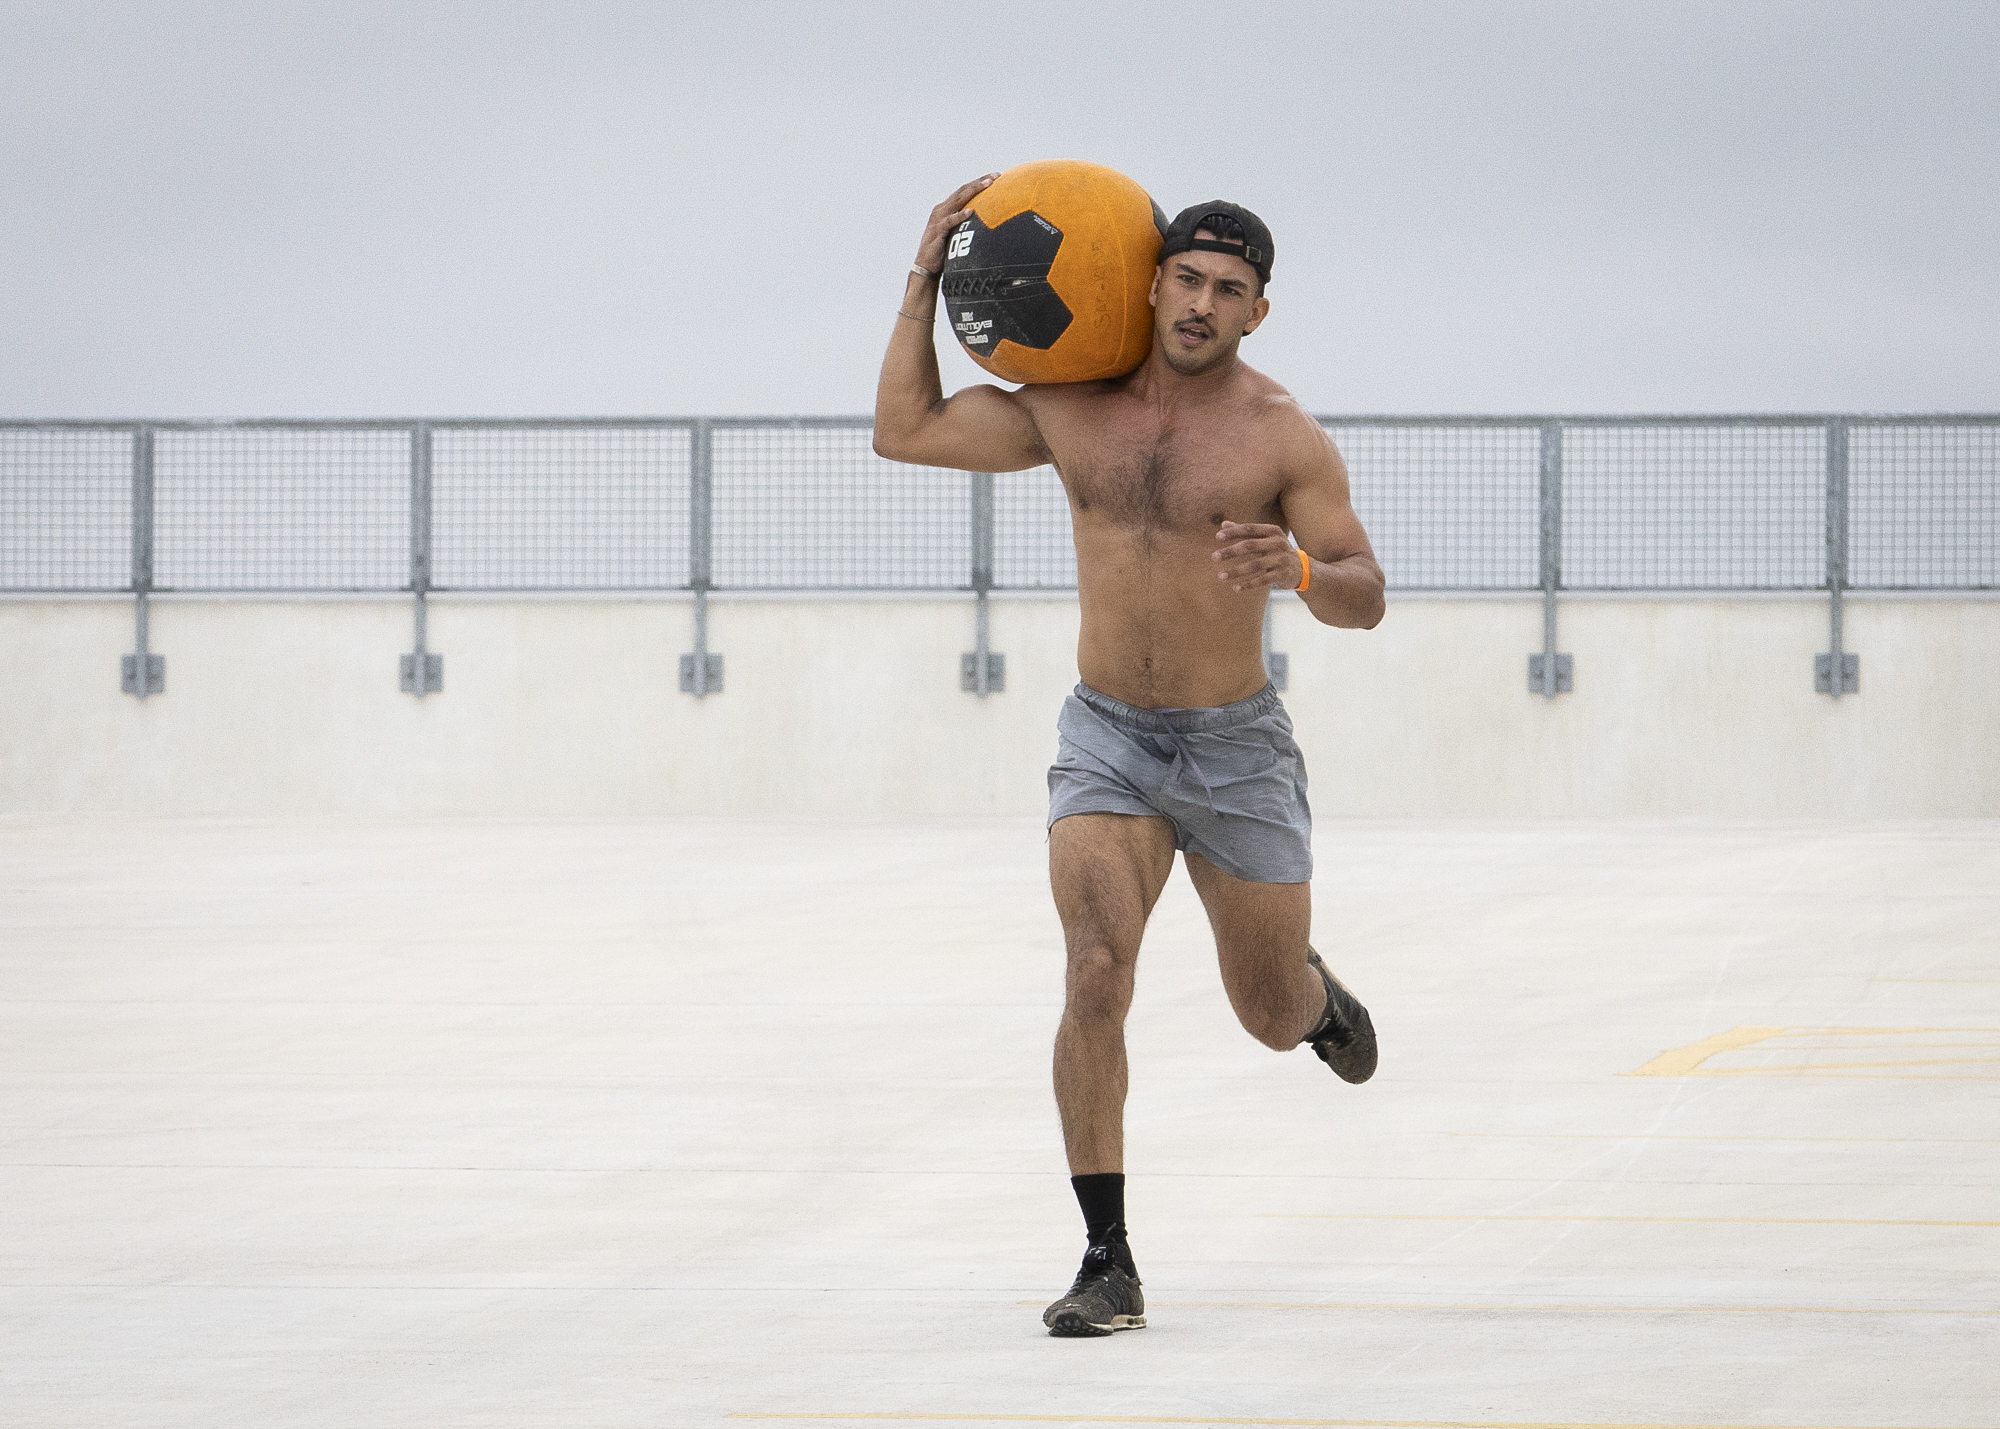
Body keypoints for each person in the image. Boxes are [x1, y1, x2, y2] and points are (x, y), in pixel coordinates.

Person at [873, 175, 1386, 1338]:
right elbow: (902, 430)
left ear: (1258, 312)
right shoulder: (1070, 405)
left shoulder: (1279, 434)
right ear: (1150, 282)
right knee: (1095, 968)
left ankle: (1313, 1002)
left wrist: (1299, 573)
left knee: (1260, 1008)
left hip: (1232, 745)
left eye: (1230, 290)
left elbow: (1365, 592)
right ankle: (1107, 1259)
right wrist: (920, 283)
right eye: (1189, 279)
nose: (1202, 303)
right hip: (1105, 732)